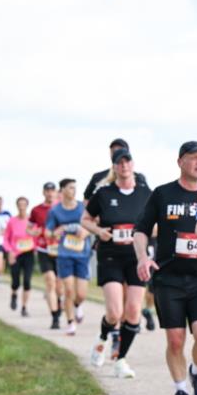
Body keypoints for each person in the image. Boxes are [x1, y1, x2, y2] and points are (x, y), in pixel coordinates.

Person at [135, 141, 197, 395]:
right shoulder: (162, 194)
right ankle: (181, 390)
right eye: (193, 158)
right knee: (175, 340)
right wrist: (143, 257)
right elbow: (141, 230)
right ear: (180, 161)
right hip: (168, 277)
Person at [82, 148, 151, 378]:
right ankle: (102, 338)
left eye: (127, 161)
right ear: (114, 167)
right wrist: (98, 231)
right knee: (114, 312)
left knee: (133, 311)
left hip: (136, 257)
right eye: (119, 163)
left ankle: (120, 359)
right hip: (110, 255)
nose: (123, 166)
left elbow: (155, 222)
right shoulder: (103, 193)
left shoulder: (145, 193)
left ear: (132, 164)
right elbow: (85, 219)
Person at [46, 178, 91, 336]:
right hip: (64, 255)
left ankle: (78, 305)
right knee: (69, 290)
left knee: (81, 294)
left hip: (83, 255)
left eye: (75, 188)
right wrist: (55, 232)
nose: (74, 191)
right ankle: (71, 322)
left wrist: (86, 231)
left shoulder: (82, 208)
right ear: (63, 190)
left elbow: (93, 225)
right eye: (71, 188)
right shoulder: (55, 211)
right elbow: (48, 232)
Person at [30, 183, 63, 329]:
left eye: (52, 191)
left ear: (56, 193)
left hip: (62, 250)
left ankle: (60, 301)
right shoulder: (36, 210)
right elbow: (29, 227)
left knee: (60, 286)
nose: (50, 194)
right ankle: (55, 316)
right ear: (43, 192)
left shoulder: (62, 208)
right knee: (50, 282)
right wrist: (33, 232)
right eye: (47, 191)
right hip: (44, 249)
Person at [4, 197, 35, 316]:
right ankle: (14, 294)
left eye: (24, 205)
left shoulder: (31, 221)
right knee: (16, 281)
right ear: (17, 206)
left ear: (27, 206)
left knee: (27, 281)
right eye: (19, 205)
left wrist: (36, 247)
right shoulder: (12, 221)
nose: (22, 207)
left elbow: (36, 236)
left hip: (28, 253)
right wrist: (9, 251)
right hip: (15, 254)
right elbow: (6, 238)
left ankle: (24, 307)